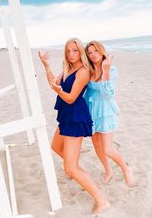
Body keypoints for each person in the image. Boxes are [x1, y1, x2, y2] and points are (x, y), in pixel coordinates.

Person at [39, 38, 110, 214]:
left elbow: (71, 98)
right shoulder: (68, 69)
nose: (71, 54)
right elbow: (52, 84)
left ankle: (102, 201)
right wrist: (46, 66)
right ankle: (82, 175)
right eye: (68, 51)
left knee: (70, 168)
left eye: (75, 51)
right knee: (56, 147)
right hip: (66, 116)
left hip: (76, 117)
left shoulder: (83, 71)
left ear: (80, 52)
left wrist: (59, 91)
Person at [84, 40, 135, 186]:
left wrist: (105, 71)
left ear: (101, 51)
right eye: (90, 53)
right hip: (90, 110)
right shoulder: (89, 70)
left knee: (107, 148)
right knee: (96, 144)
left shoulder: (111, 70)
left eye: (96, 51)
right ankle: (108, 170)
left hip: (105, 111)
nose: (93, 55)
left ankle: (126, 169)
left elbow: (108, 95)